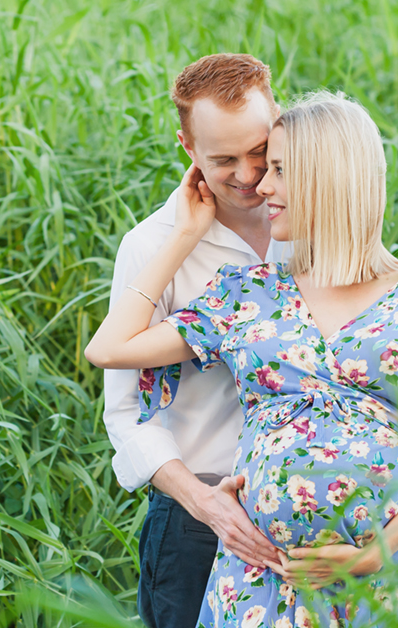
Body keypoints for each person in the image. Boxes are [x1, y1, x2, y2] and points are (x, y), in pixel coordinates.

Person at [87, 91, 398, 628]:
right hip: (253, 573)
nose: (258, 183)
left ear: (327, 177)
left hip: (380, 580)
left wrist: (372, 553)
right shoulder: (247, 292)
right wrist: (183, 238)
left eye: (276, 167)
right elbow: (108, 350)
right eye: (245, 165)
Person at [102, 54, 294, 628]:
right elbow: (125, 411)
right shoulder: (150, 246)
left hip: (303, 514)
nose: (249, 175)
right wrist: (203, 503)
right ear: (186, 146)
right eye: (223, 160)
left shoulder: (314, 225)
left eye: (259, 152)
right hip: (199, 520)